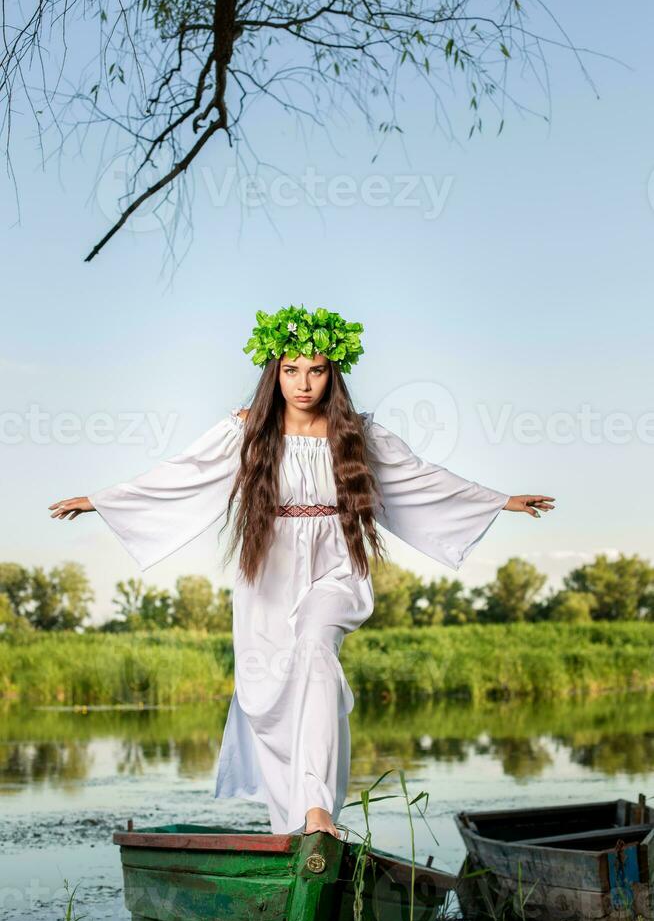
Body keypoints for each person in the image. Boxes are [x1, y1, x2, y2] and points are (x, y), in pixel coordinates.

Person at [48, 304, 555, 839]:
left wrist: (500, 501)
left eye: (315, 370)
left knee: (315, 649)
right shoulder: (247, 432)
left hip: (336, 569)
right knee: (270, 697)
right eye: (291, 370)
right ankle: (295, 832)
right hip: (266, 572)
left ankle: (315, 810)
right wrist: (102, 502)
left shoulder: (356, 433)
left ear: (333, 373)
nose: (303, 383)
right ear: (274, 372)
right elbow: (182, 476)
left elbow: (420, 479)